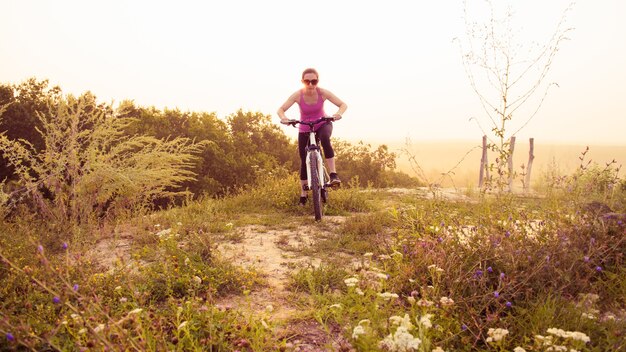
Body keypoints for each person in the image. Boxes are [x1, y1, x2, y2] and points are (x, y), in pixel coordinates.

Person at [277, 68, 347, 205]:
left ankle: (333, 174)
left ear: (317, 81)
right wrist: (284, 118)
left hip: (322, 124)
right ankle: (303, 194)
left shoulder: (323, 93)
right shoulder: (297, 95)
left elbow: (343, 105)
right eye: (307, 81)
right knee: (304, 160)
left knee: (325, 139)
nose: (310, 84)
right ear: (302, 81)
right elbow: (280, 110)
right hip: (304, 127)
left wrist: (338, 114)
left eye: (313, 81)